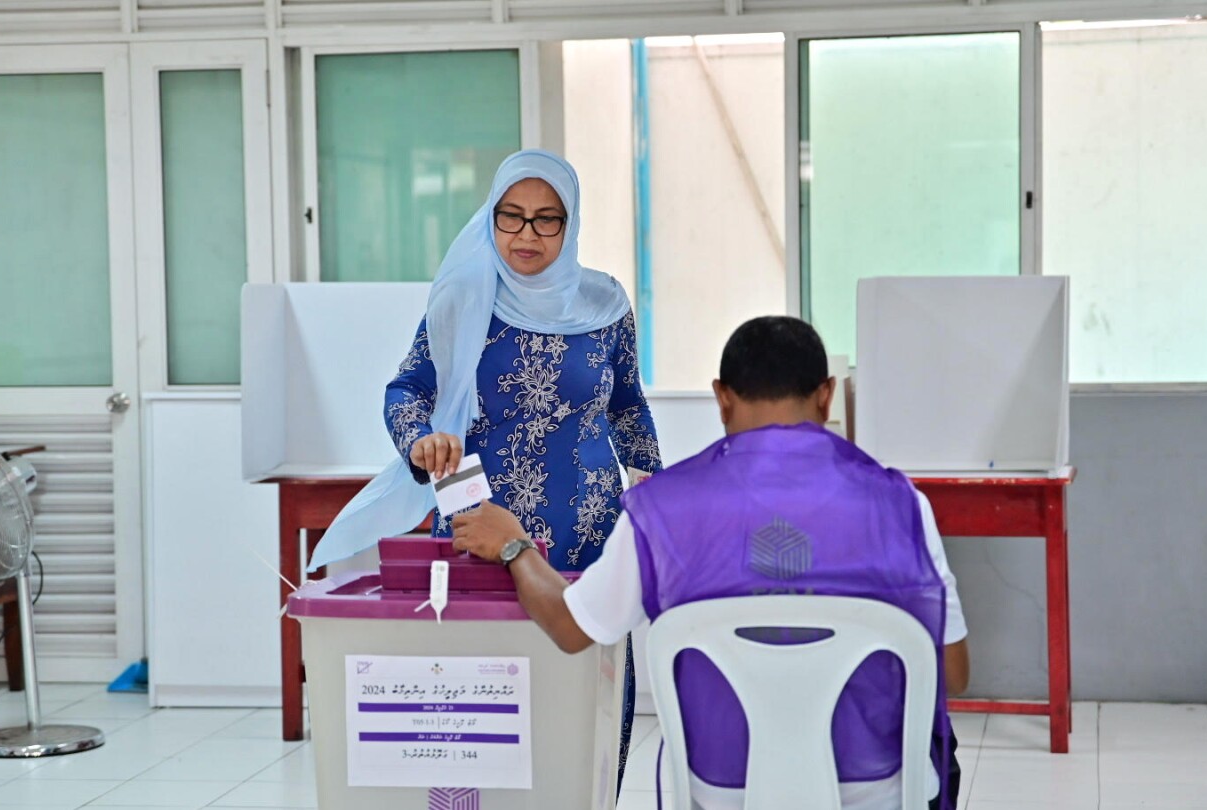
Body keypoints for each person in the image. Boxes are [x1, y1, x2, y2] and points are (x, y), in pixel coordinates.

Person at [452, 315, 969, 810]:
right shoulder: (900, 505)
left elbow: (569, 628)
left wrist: (515, 546)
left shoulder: (661, 511)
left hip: (727, 793)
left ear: (721, 398)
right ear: (826, 395)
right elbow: (953, 671)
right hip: (876, 792)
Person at [308, 149, 663, 779]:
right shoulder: (465, 300)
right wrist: (419, 439)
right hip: (479, 526)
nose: (527, 234)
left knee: (587, 698)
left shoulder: (605, 307)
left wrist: (656, 493)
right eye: (512, 216)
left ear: (570, 223)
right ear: (490, 219)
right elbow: (407, 390)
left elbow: (629, 407)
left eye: (547, 219)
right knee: (483, 704)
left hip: (589, 534)